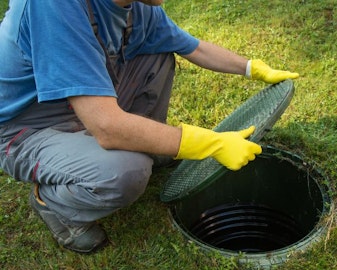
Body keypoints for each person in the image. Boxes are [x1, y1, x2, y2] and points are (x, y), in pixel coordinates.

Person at [0, 0, 299, 254]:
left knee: (157, 53)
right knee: (125, 171)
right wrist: (210, 143)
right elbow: (106, 126)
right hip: (28, 129)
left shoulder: (135, 7)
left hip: (84, 106)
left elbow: (193, 48)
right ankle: (51, 202)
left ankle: (145, 147)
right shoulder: (53, 7)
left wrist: (252, 68)